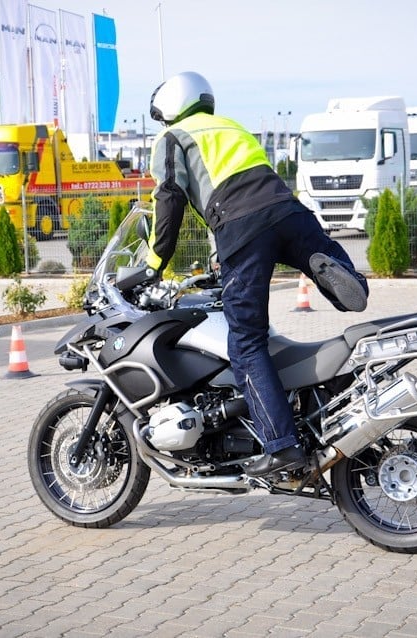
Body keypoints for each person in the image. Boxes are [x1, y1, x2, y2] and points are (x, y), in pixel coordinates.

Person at [145, 71, 369, 477]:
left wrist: (153, 265)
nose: (163, 124)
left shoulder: (173, 138)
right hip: (288, 212)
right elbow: (238, 184)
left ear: (170, 107)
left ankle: (281, 445)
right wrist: (221, 256)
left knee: (246, 343)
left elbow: (169, 202)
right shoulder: (229, 127)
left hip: (242, 228)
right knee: (318, 252)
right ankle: (343, 277)